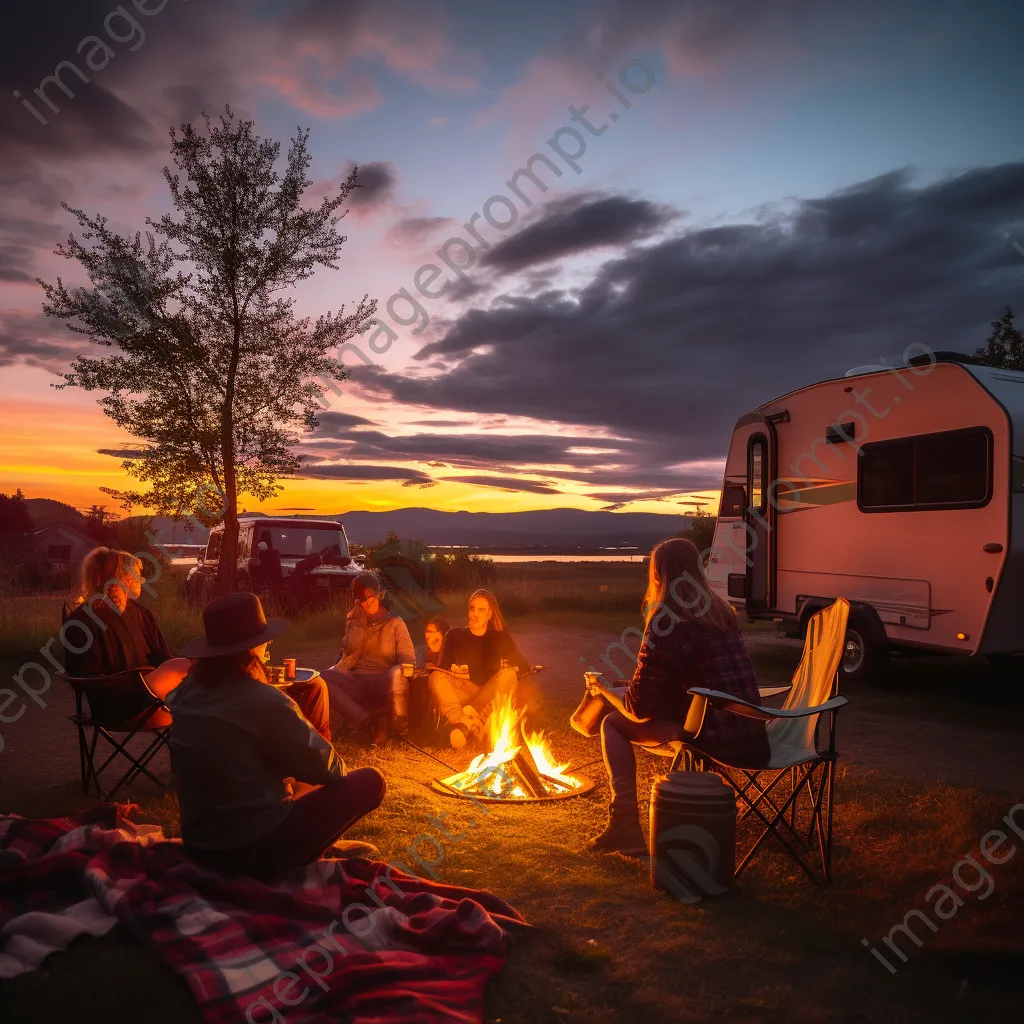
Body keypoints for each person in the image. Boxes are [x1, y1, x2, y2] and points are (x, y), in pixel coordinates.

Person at [166, 592, 386, 882]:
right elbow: (331, 769)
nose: (267, 646)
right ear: (253, 648)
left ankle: (315, 843)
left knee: (287, 774)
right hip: (254, 850)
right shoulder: (264, 700)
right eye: (264, 642)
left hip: (200, 845)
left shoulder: (183, 694)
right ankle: (309, 850)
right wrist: (294, 732)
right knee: (370, 781)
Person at [583, 538, 771, 856]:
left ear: (659, 576)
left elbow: (639, 710)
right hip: (750, 733)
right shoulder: (722, 614)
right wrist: (631, 686)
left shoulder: (666, 622)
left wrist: (604, 691)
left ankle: (624, 825)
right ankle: (624, 826)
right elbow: (694, 681)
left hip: (708, 736)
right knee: (626, 704)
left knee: (613, 723)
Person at [62, 547, 190, 726]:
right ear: (123, 578)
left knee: (193, 668)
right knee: (185, 667)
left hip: (156, 701)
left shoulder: (142, 614)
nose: (142, 580)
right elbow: (86, 676)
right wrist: (138, 679)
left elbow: (162, 657)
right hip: (116, 706)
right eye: (137, 574)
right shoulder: (81, 621)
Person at [321, 573, 416, 741]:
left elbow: (408, 658)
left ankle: (399, 730)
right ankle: (363, 719)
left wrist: (403, 669)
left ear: (379, 594)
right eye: (363, 600)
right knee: (321, 678)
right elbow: (350, 648)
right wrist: (361, 623)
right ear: (358, 602)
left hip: (382, 682)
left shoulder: (395, 622)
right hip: (357, 683)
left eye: (371, 597)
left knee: (397, 672)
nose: (369, 602)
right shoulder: (354, 620)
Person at [428, 590, 529, 749]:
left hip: (488, 696)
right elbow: (441, 668)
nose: (474, 613)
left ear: (490, 613)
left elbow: (524, 668)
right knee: (435, 677)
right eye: (472, 608)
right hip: (463, 693)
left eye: (481, 610)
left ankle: (466, 725)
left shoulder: (499, 637)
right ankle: (465, 723)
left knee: (508, 675)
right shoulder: (454, 634)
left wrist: (506, 669)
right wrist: (454, 673)